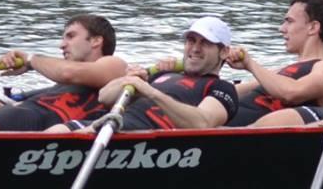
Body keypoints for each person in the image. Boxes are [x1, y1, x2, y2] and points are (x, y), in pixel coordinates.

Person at [100, 16, 240, 130]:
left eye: (205, 43)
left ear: (224, 52)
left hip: (137, 136)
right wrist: (128, 80)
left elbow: (202, 123)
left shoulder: (222, 88)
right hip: (108, 126)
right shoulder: (162, 74)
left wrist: (151, 92)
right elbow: (104, 97)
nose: (195, 49)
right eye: (191, 41)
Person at [225, 0, 323, 126]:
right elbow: (233, 92)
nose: (282, 29)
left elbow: (292, 93)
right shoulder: (281, 71)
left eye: (289, 22)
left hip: (239, 133)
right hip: (221, 120)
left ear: (313, 27)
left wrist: (250, 63)